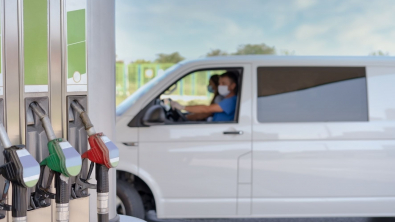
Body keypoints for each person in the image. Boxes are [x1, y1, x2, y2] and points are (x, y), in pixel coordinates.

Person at [171, 71, 238, 122]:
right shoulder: (224, 99)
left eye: (223, 83)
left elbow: (207, 109)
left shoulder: (231, 101)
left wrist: (182, 107)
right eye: (219, 83)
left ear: (232, 86)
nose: (219, 86)